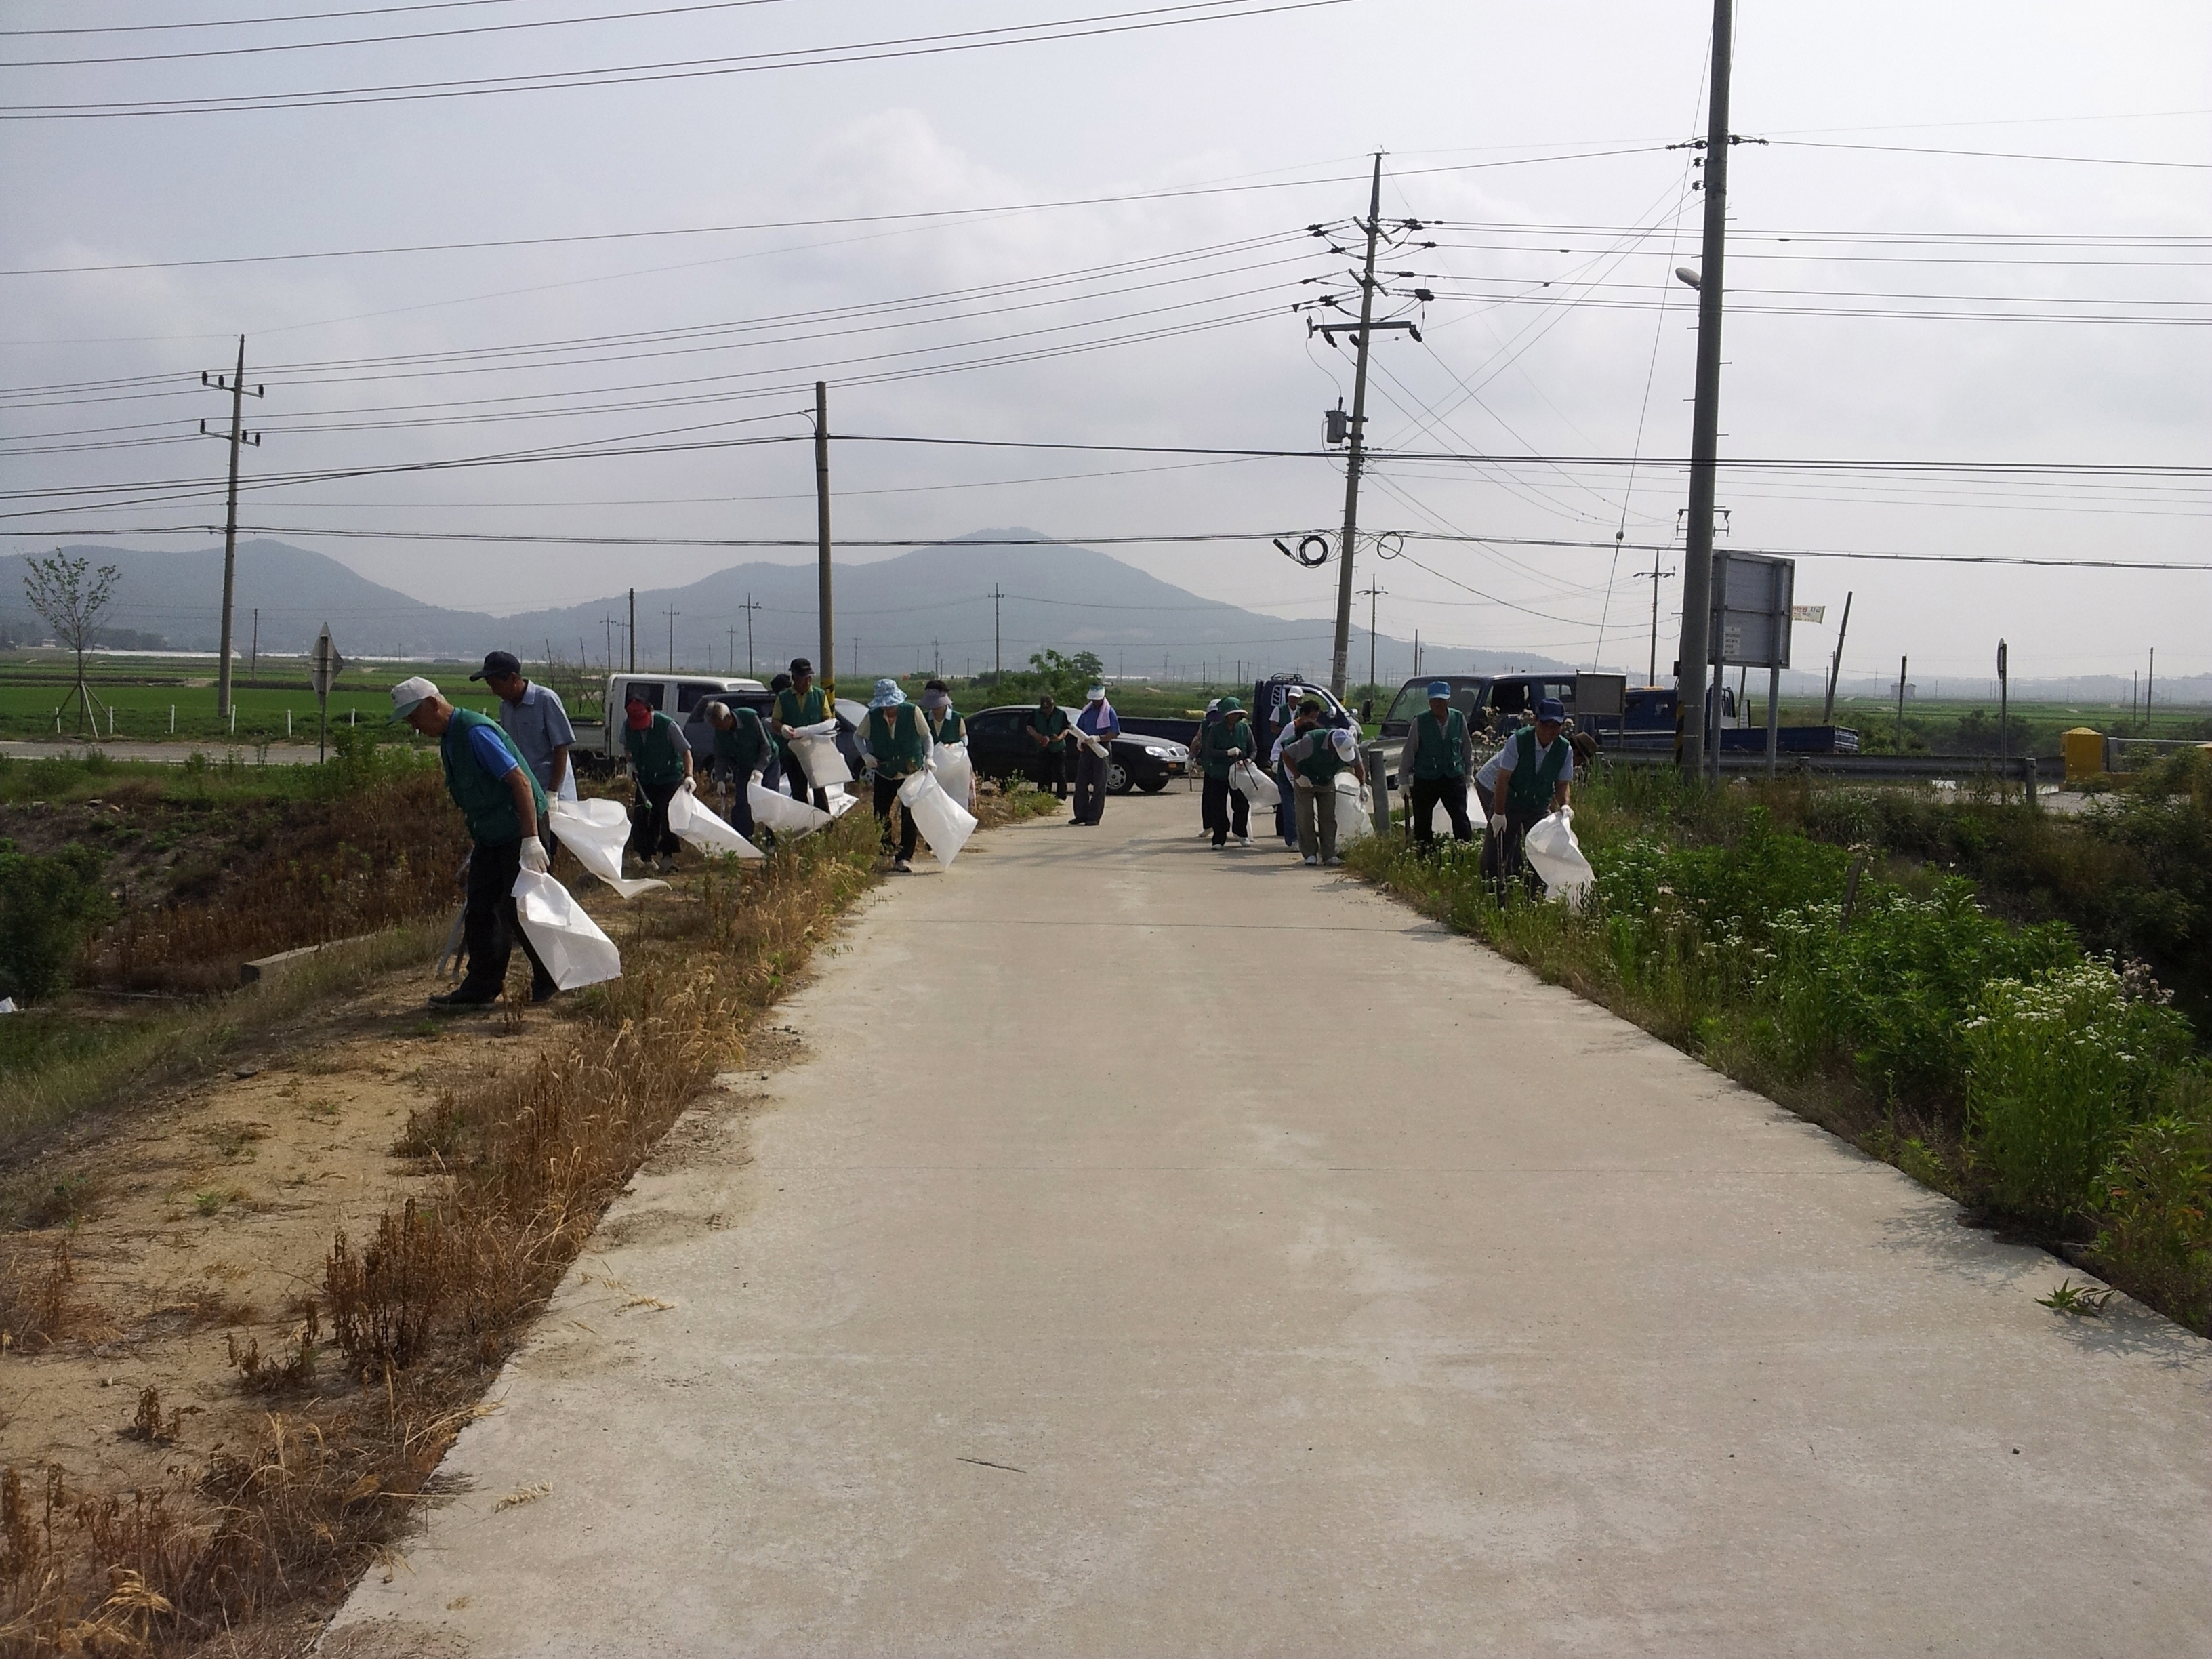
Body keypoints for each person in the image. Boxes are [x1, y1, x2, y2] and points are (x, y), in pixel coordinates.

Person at [390, 676, 556, 1010]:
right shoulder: (449, 738)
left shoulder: (475, 733)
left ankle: (549, 977)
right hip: (491, 835)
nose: (414, 726)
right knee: (480, 908)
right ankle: (481, 988)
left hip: (519, 829)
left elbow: (520, 783)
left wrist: (531, 840)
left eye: (414, 717)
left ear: (433, 705)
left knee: (519, 909)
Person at [475, 650, 576, 858]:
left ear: (513, 678)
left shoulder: (545, 699)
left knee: (544, 854)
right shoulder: (506, 708)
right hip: (527, 793)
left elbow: (561, 749)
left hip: (550, 795)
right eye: (490, 685)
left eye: (496, 684)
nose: (494, 690)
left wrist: (552, 793)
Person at [1479, 695, 1574, 897]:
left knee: (1541, 851)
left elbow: (1562, 784)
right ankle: (1493, 896)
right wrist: (1499, 813)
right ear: (1536, 721)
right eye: (1545, 724)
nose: (1549, 731)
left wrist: (1565, 805)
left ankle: (1534, 897)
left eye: (1555, 726)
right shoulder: (1518, 740)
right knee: (1496, 852)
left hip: (1538, 806)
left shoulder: (1565, 749)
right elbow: (1503, 778)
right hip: (1511, 802)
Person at [859, 678, 930, 874]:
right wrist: (866, 755)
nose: (888, 709)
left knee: (909, 814)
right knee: (880, 812)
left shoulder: (912, 712)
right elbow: (858, 737)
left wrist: (929, 757)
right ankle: (886, 849)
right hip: (885, 770)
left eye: (891, 704)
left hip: (910, 770)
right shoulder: (873, 716)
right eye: (884, 705)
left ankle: (904, 856)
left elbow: (926, 737)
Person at [621, 689, 694, 874]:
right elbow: (627, 747)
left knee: (667, 817)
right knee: (642, 817)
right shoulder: (628, 726)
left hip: (668, 777)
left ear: (651, 710)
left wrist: (689, 776)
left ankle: (667, 858)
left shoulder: (668, 726)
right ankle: (646, 858)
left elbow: (686, 751)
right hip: (645, 778)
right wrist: (630, 763)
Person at [1281, 712, 1365, 867]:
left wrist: (1363, 785)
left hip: (1327, 781)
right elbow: (1286, 754)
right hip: (1306, 781)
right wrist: (1298, 776)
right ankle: (1310, 854)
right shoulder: (1310, 741)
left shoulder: (1349, 744)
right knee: (1305, 817)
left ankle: (1329, 854)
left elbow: (1358, 766)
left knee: (1328, 818)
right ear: (1332, 745)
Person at [1403, 680, 1475, 851]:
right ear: (1429, 701)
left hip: (1453, 776)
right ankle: (1424, 854)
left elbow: (1466, 747)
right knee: (1422, 820)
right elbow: (1409, 751)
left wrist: (1469, 772)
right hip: (1426, 777)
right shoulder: (1420, 721)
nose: (1437, 704)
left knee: (1460, 817)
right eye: (1434, 700)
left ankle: (1464, 851)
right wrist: (1404, 780)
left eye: (1441, 700)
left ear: (1448, 700)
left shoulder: (1458, 718)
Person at [703, 700, 771, 841]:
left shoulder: (750, 718)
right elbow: (720, 756)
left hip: (768, 764)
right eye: (715, 726)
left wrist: (759, 770)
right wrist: (721, 780)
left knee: (770, 801)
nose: (718, 729)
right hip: (745, 766)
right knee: (742, 803)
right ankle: (743, 840)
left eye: (719, 725)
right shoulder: (720, 732)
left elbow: (766, 748)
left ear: (728, 718)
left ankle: (771, 842)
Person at [771, 657, 832, 811]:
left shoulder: (819, 695)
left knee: (820, 791)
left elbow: (828, 718)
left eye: (810, 677)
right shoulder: (783, 698)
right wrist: (783, 728)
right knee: (799, 793)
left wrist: (821, 728)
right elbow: (775, 721)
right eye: (804, 678)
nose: (808, 681)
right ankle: (804, 822)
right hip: (793, 753)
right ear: (794, 678)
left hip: (814, 752)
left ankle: (825, 822)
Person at [1197, 695, 1255, 848]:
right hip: (1219, 773)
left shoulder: (1245, 729)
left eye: (1237, 713)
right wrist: (1226, 753)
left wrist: (1249, 760)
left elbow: (1253, 749)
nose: (1235, 717)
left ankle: (1241, 833)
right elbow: (1209, 751)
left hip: (1239, 772)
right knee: (1218, 806)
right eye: (1232, 714)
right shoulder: (1216, 730)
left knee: (1242, 804)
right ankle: (1219, 838)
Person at [1069, 683, 1120, 826]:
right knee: (1081, 782)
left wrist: (1098, 738)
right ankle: (1080, 814)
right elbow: (1079, 728)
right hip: (1087, 749)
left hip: (1101, 748)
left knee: (1099, 784)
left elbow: (1114, 733)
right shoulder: (1087, 711)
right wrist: (1080, 740)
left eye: (1098, 700)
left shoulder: (1109, 712)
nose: (1095, 702)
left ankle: (1094, 817)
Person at [918, 680, 972, 809]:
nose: (934, 709)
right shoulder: (923, 718)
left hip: (952, 767)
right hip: (931, 765)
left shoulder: (956, 718)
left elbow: (964, 739)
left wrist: (955, 746)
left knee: (952, 799)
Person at [1270, 697, 1317, 848]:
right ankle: (1292, 839)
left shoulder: (1312, 729)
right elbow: (1279, 744)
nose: (1313, 720)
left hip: (1300, 768)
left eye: (1315, 718)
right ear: (1303, 714)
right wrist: (1275, 760)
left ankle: (1305, 836)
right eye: (1311, 717)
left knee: (1302, 806)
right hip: (1285, 768)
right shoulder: (1292, 727)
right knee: (1289, 805)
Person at [1026, 691, 1073, 799]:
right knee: (1043, 773)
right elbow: (1029, 727)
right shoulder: (1036, 713)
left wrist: (1059, 738)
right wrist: (1037, 736)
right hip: (1042, 747)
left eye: (1049, 708)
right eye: (1044, 709)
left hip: (1058, 748)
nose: (1047, 711)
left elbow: (1066, 729)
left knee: (1060, 773)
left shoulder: (1061, 714)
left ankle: (1061, 796)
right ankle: (1043, 796)